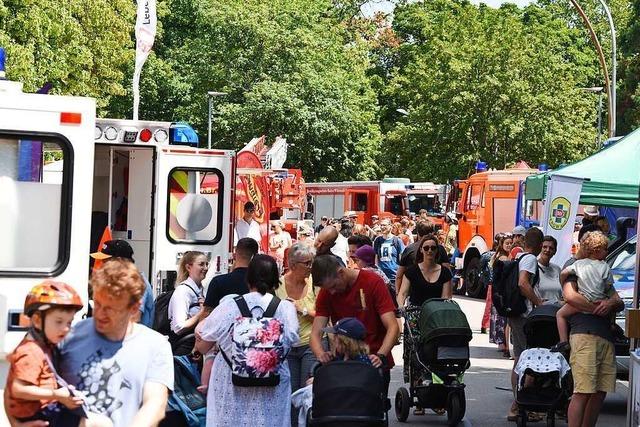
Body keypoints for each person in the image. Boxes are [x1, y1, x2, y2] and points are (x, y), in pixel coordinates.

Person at [59, 259, 174, 427]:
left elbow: (155, 404)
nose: (100, 314)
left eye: (110, 309)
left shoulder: (155, 346)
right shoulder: (70, 335)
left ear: (134, 308)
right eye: (97, 304)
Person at [198, 254, 299, 427]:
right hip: (272, 387)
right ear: (276, 279)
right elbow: (292, 341)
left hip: (230, 384)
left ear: (248, 278)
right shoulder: (285, 309)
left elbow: (203, 346)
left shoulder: (228, 306)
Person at [5, 282, 111, 427]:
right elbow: (18, 389)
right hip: (37, 414)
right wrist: (57, 395)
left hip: (43, 411)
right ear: (37, 320)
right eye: (59, 322)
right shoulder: (31, 351)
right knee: (100, 424)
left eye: (69, 322)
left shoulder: (45, 345)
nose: (66, 328)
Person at [310, 255, 399, 397]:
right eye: (328, 289)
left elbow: (393, 327)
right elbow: (315, 333)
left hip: (373, 360)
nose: (332, 292)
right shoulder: (326, 292)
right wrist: (321, 354)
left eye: (333, 286)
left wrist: (380, 355)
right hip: (343, 363)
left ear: (341, 272)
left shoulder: (373, 282)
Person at [561, 258, 624, 427]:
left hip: (604, 337)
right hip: (584, 336)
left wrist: (609, 303)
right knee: (583, 391)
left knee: (599, 391)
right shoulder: (575, 271)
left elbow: (619, 302)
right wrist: (596, 308)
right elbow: (569, 296)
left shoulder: (603, 274)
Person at [274, 243, 317, 426]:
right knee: (290, 392)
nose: (310, 267)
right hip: (287, 347)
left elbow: (323, 314)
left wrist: (302, 309)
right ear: (292, 264)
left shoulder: (315, 282)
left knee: (308, 391)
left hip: (311, 343)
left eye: (311, 262)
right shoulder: (278, 285)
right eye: (306, 263)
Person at [507, 227, 544, 422]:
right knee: (527, 358)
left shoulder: (519, 256)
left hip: (516, 314)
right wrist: (538, 302)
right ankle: (519, 404)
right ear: (538, 245)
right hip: (523, 314)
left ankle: (519, 403)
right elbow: (523, 283)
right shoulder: (529, 259)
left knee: (520, 358)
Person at [555, 231, 614, 352]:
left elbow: (563, 274)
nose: (607, 252)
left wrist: (562, 283)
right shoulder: (605, 266)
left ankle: (563, 342)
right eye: (605, 249)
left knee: (560, 314)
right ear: (597, 250)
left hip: (583, 300)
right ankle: (612, 325)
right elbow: (609, 286)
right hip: (600, 301)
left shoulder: (578, 264)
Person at [90, 240, 154, 328]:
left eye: (106, 261)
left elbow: (134, 318)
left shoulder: (138, 283)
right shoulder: (116, 282)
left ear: (119, 261)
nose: (102, 264)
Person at [168, 251, 208, 354]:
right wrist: (201, 313)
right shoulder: (183, 291)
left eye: (207, 264)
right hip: (182, 349)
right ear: (188, 267)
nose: (205, 268)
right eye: (201, 264)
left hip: (194, 348)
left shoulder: (201, 290)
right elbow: (178, 327)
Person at [204, 237, 259, 313]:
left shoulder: (218, 282)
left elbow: (207, 313)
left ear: (233, 255)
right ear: (255, 257)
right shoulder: (260, 283)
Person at [490, 234, 512, 356]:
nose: (509, 245)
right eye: (507, 243)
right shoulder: (503, 258)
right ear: (502, 245)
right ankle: (502, 343)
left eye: (510, 243)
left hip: (498, 290)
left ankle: (501, 342)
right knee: (502, 318)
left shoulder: (501, 256)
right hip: (500, 291)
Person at [373, 219, 405, 284]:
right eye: (381, 225)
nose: (382, 227)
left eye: (384, 225)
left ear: (390, 226)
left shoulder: (397, 240)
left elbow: (402, 258)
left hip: (394, 276)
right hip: (382, 277)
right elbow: (376, 257)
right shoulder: (378, 240)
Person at [537, 236, 562, 304]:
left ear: (554, 251)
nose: (547, 250)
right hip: (539, 311)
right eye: (544, 247)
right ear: (539, 248)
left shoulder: (557, 269)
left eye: (551, 248)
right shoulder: (534, 267)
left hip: (556, 311)